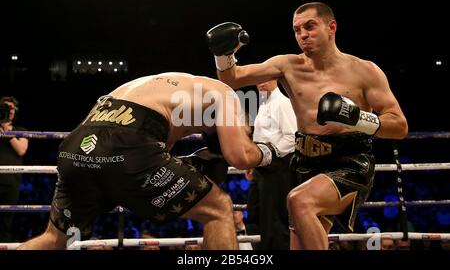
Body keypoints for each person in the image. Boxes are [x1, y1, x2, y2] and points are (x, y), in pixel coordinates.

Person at [206, 2, 408, 250]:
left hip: (349, 163)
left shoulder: (364, 71)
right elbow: (232, 78)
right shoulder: (288, 65)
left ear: (331, 27)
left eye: (310, 26)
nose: (303, 35)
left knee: (299, 200)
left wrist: (358, 118)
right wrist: (222, 53)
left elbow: (399, 126)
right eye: (297, 29)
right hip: (304, 164)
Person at [17, 72, 281, 250]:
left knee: (54, 238)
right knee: (219, 208)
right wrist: (269, 151)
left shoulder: (167, 89)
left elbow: (152, 155)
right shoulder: (226, 95)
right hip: (128, 143)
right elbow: (240, 155)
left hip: (78, 143)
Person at [248, 80, 297, 249]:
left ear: (275, 79)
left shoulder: (283, 103)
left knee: (274, 219)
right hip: (261, 166)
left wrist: (268, 155)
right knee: (255, 213)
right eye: (258, 80)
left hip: (278, 167)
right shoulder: (263, 103)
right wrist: (252, 161)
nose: (261, 83)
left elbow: (292, 138)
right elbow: (259, 135)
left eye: (266, 79)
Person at [0, 96, 29, 242]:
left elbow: (21, 150)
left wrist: (6, 131)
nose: (9, 111)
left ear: (15, 111)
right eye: (5, 107)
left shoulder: (21, 130)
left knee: (6, 223)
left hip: (12, 182)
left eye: (11, 108)